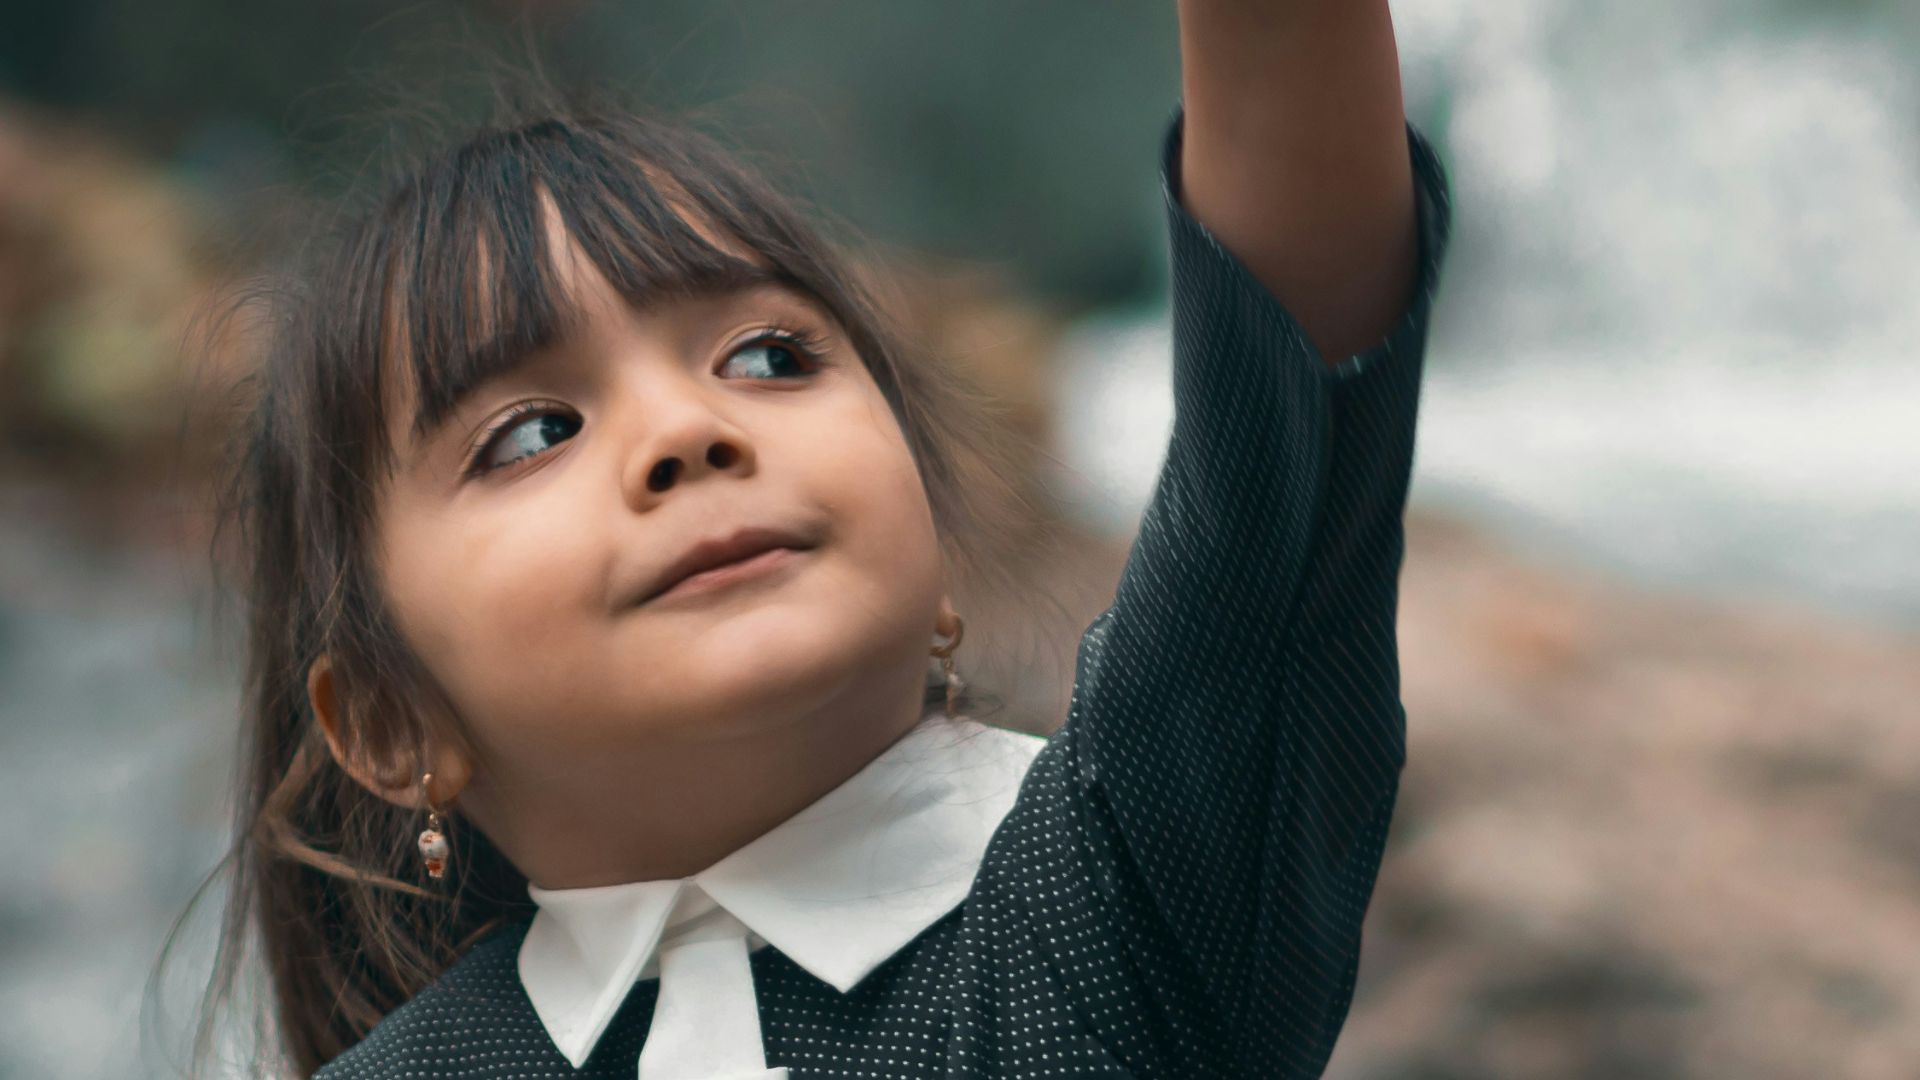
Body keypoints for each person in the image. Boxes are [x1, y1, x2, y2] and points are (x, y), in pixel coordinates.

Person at [187, 1, 1451, 1076]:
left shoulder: (1125, 894)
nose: (688, 430)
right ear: (390, 722)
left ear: (940, 556)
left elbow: (1283, 392)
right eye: (532, 432)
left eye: (768, 357)